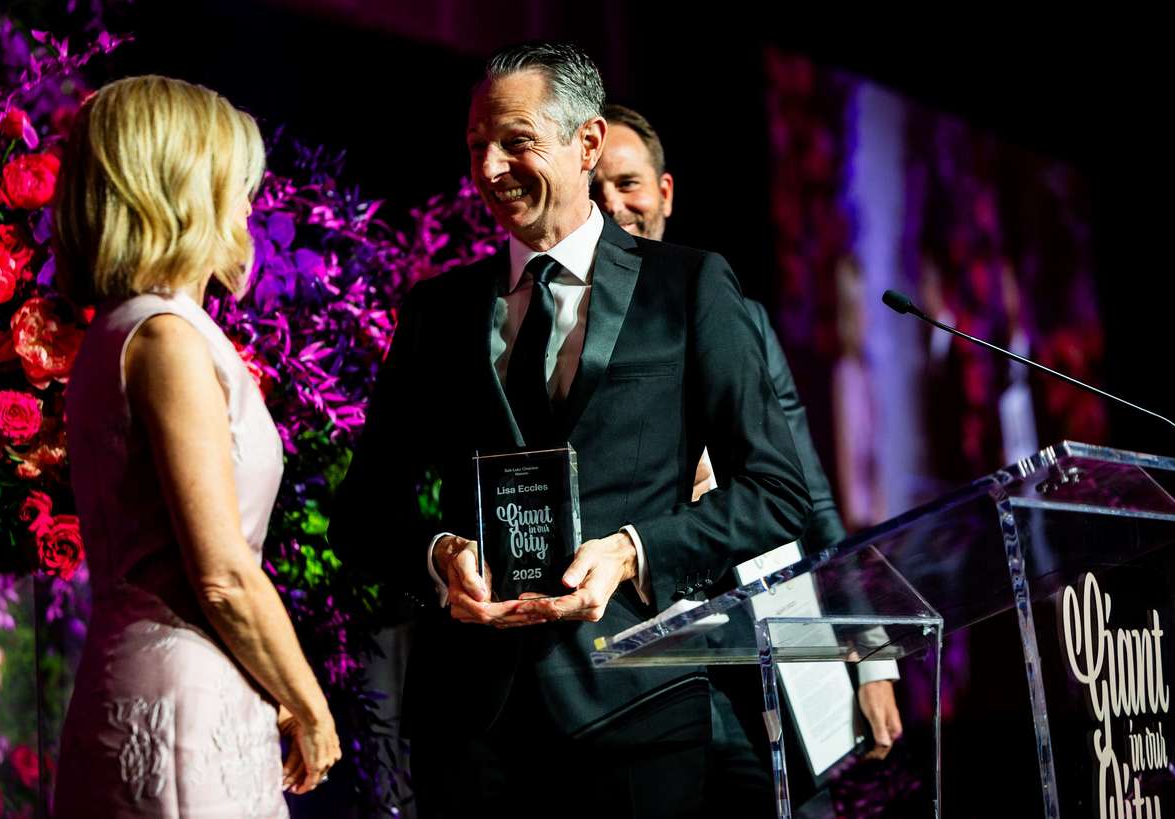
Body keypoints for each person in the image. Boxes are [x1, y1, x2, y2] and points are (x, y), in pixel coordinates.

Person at [329, 41, 811, 819]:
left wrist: (632, 552)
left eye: (515, 141)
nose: (488, 169)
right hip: (468, 734)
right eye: (476, 146)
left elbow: (777, 492)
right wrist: (440, 554)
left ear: (585, 144)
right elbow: (361, 513)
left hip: (636, 712)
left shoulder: (688, 286)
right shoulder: (438, 312)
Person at [592, 104, 902, 815]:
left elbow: (812, 498)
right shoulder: (567, 337)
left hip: (766, 653)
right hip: (638, 663)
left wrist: (869, 651)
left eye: (629, 183)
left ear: (665, 192)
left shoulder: (741, 319)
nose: (615, 204)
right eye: (597, 189)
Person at [52, 75, 340, 817]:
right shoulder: (164, 338)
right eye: (235, 183)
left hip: (171, 683)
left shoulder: (128, 327)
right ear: (181, 188)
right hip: (181, 705)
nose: (248, 205)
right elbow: (222, 575)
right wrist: (308, 702)